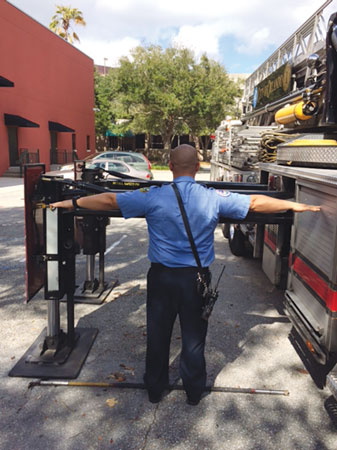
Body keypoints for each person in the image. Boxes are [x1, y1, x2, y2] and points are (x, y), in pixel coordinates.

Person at [51, 144, 320, 406]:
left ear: (169, 167)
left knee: (158, 335)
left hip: (161, 278)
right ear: (198, 167)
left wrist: (70, 202)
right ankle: (193, 392)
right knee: (193, 338)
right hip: (196, 280)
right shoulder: (211, 196)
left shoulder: (153, 196)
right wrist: (294, 206)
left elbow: (109, 199)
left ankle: (155, 390)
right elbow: (255, 203)